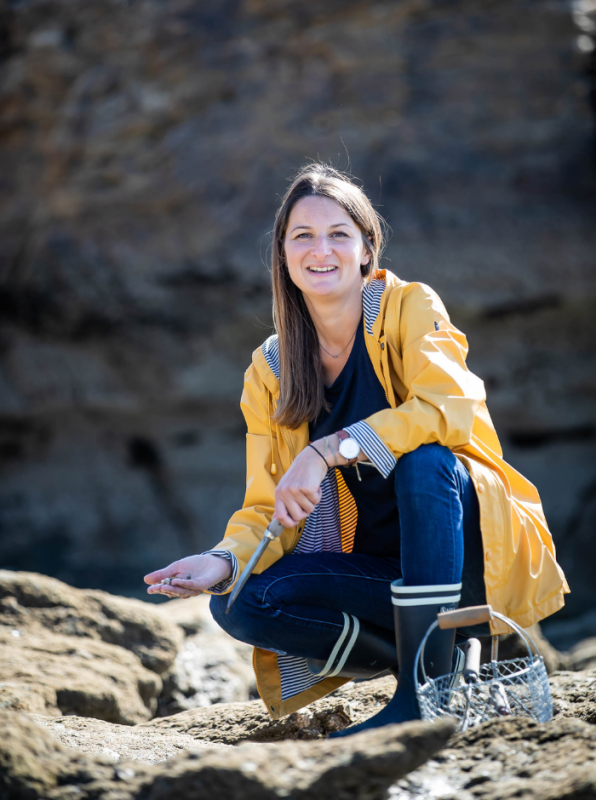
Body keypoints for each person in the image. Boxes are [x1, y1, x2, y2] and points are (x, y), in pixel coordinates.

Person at [144, 163, 569, 736]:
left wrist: (329, 449)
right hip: (383, 571)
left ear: (367, 249)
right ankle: (437, 665)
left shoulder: (410, 307)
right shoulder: (270, 369)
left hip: (465, 552)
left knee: (426, 461)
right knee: (237, 601)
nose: (322, 250)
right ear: (284, 255)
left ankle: (425, 693)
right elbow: (271, 506)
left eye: (339, 234)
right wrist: (222, 560)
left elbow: (452, 406)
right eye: (303, 236)